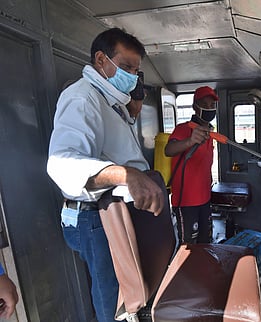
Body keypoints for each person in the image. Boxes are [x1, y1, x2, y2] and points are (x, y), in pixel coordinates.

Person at [47, 28, 165, 322]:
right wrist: (126, 175)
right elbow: (62, 165)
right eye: (126, 67)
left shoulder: (111, 101)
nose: (132, 76)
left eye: (136, 71)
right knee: (113, 304)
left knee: (125, 294)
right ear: (101, 59)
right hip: (94, 218)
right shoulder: (82, 98)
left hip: (111, 213)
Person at [165, 86, 219, 244]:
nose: (210, 109)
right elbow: (168, 150)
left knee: (206, 242)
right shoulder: (183, 129)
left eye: (212, 105)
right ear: (195, 107)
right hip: (186, 202)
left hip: (205, 200)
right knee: (188, 246)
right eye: (205, 104)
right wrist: (189, 141)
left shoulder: (209, 133)